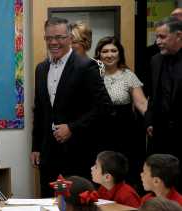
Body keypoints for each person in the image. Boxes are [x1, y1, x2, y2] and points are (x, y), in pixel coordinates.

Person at [31, 17, 112, 197]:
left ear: (69, 38)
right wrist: (36, 147)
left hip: (77, 152)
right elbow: (40, 110)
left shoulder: (86, 67)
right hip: (48, 154)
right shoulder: (41, 68)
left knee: (75, 202)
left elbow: (104, 107)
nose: (53, 42)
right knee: (49, 201)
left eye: (59, 37)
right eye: (49, 38)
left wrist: (72, 128)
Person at [94, 36, 148, 188]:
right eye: (105, 51)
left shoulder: (128, 75)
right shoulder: (92, 75)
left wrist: (152, 122)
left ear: (120, 53)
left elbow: (142, 103)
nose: (109, 55)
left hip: (125, 133)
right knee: (101, 173)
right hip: (98, 131)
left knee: (124, 174)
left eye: (113, 50)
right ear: (99, 54)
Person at [145, 16, 182, 191]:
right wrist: (149, 120)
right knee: (161, 182)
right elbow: (153, 95)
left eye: (162, 37)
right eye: (156, 37)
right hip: (160, 135)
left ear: (178, 36)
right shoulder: (155, 60)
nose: (157, 41)